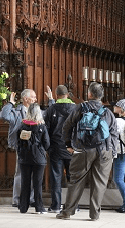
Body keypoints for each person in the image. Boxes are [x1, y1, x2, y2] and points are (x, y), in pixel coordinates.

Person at [56, 82, 118, 221]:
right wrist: (111, 151)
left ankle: (67, 212)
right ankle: (95, 214)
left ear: (89, 94)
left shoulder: (81, 108)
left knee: (75, 181)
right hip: (104, 151)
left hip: (82, 150)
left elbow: (66, 126)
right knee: (100, 183)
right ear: (101, 96)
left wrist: (68, 145)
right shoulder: (108, 112)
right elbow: (114, 133)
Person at [0, 87, 54, 207]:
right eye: (33, 96)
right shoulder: (17, 112)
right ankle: (17, 199)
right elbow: (3, 116)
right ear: (25, 98)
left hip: (37, 148)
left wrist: (51, 100)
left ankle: (32, 199)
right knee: (20, 173)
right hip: (22, 148)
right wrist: (10, 103)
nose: (35, 99)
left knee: (35, 174)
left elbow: (51, 113)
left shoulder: (39, 111)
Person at [44, 85, 76, 213]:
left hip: (56, 147)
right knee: (72, 178)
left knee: (56, 177)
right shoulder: (75, 108)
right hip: (72, 148)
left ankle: (56, 206)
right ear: (67, 95)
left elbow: (46, 129)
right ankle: (74, 206)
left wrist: (47, 146)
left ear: (56, 96)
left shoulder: (51, 109)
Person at [17, 103, 50, 214]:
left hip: (24, 158)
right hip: (39, 159)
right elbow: (47, 144)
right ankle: (39, 208)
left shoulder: (22, 125)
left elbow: (18, 142)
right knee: (37, 183)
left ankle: (23, 207)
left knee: (25, 182)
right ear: (38, 112)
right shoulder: (41, 126)